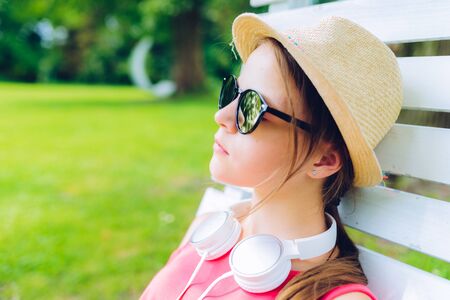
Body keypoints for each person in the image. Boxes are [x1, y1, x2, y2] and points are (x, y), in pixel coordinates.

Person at [140, 12, 402, 300]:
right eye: (232, 92)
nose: (221, 116)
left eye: (252, 106)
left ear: (323, 159)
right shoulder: (209, 231)